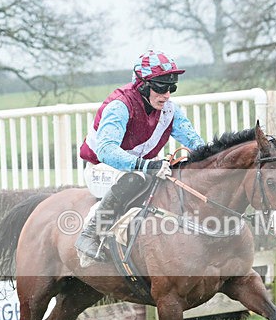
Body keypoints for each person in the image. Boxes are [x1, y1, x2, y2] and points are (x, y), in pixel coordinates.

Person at [75, 50, 206, 261]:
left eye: (171, 87)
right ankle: (89, 234)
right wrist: (145, 166)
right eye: (161, 87)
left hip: (139, 166)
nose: (167, 94)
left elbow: (196, 144)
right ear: (143, 85)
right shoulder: (120, 106)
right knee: (135, 177)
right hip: (102, 167)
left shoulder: (169, 109)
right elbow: (106, 150)